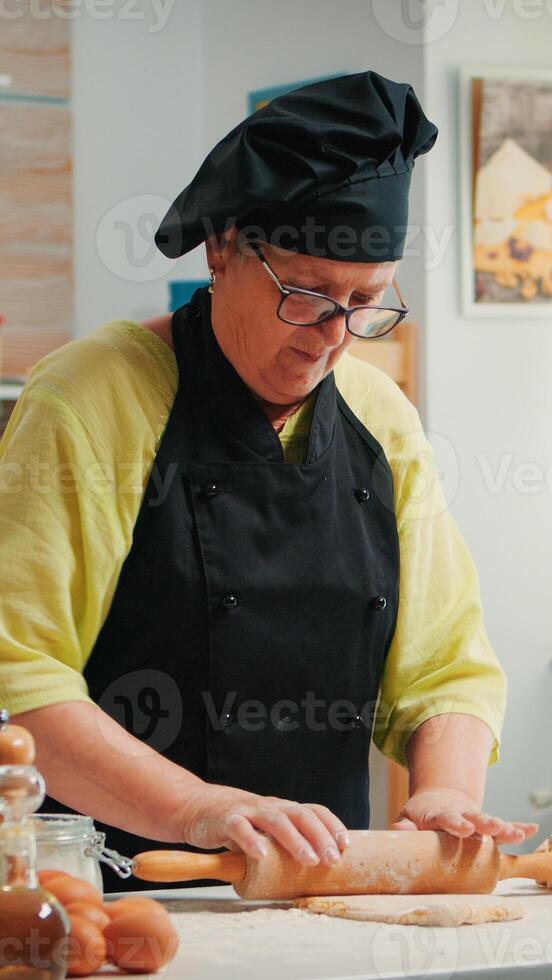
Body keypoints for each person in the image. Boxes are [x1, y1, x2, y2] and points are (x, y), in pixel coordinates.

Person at [0, 71, 537, 892]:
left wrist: (446, 792)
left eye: (367, 302)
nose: (333, 337)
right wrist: (197, 807)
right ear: (223, 249)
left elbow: (447, 665)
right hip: (114, 893)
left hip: (321, 899)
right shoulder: (89, 399)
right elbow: (20, 673)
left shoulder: (378, 415)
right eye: (307, 294)